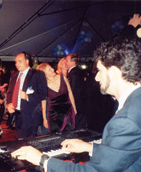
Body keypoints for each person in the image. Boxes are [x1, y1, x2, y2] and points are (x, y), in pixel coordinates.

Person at [12, 37, 141, 171]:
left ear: (114, 73)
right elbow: (121, 153)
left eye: (100, 71)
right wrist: (89, 147)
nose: (96, 78)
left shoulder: (127, 120)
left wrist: (42, 160)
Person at [6, 52, 47, 138]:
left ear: (27, 61)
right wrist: (9, 104)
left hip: (30, 115)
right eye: (16, 62)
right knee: (19, 140)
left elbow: (43, 94)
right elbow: (10, 92)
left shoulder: (37, 74)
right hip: (17, 115)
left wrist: (28, 97)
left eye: (19, 61)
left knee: (28, 143)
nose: (16, 64)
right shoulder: (14, 75)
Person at [37, 62, 76, 133]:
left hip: (68, 112)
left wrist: (74, 109)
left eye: (51, 67)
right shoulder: (44, 85)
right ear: (44, 74)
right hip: (54, 116)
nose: (52, 69)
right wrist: (44, 119)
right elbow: (43, 102)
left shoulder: (62, 77)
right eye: (49, 70)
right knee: (56, 137)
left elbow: (70, 93)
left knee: (69, 135)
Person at [65, 53, 87, 129]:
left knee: (77, 124)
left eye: (67, 60)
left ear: (73, 62)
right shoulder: (77, 71)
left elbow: (72, 90)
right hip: (81, 103)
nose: (65, 62)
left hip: (77, 103)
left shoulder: (73, 73)